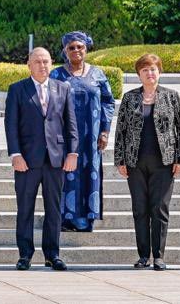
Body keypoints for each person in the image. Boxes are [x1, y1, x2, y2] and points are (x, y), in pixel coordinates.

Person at [5, 47, 79, 271]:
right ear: (29, 65)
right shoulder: (17, 89)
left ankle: (52, 254)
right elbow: (11, 125)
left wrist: (72, 153)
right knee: (25, 209)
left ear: (51, 63)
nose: (42, 65)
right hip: (27, 160)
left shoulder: (63, 88)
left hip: (55, 159)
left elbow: (71, 123)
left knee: (54, 209)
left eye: (46, 61)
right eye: (37, 61)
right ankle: (25, 255)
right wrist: (15, 154)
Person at [115, 53, 180, 270]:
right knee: (140, 209)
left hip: (164, 162)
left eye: (153, 69)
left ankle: (158, 256)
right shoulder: (130, 98)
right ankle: (143, 256)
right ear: (139, 74)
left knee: (160, 208)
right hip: (135, 162)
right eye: (145, 70)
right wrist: (119, 159)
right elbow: (121, 130)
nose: (149, 73)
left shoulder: (171, 96)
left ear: (159, 72)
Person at [50, 31, 114, 232]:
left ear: (86, 49)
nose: (76, 50)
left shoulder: (97, 74)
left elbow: (108, 102)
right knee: (66, 175)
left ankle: (87, 219)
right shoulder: (56, 75)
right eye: (71, 47)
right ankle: (65, 219)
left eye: (80, 47)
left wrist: (105, 131)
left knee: (89, 174)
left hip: (91, 137)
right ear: (65, 51)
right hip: (65, 137)